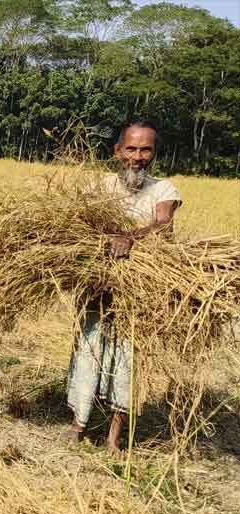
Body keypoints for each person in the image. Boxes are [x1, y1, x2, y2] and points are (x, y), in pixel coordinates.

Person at [66, 120, 181, 452]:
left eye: (146, 149)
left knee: (128, 358)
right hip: (99, 282)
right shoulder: (101, 186)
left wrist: (130, 238)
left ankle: (114, 437)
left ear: (154, 155)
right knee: (89, 349)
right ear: (118, 151)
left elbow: (162, 224)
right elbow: (84, 222)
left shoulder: (164, 189)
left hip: (139, 290)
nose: (138, 156)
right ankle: (79, 424)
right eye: (131, 148)